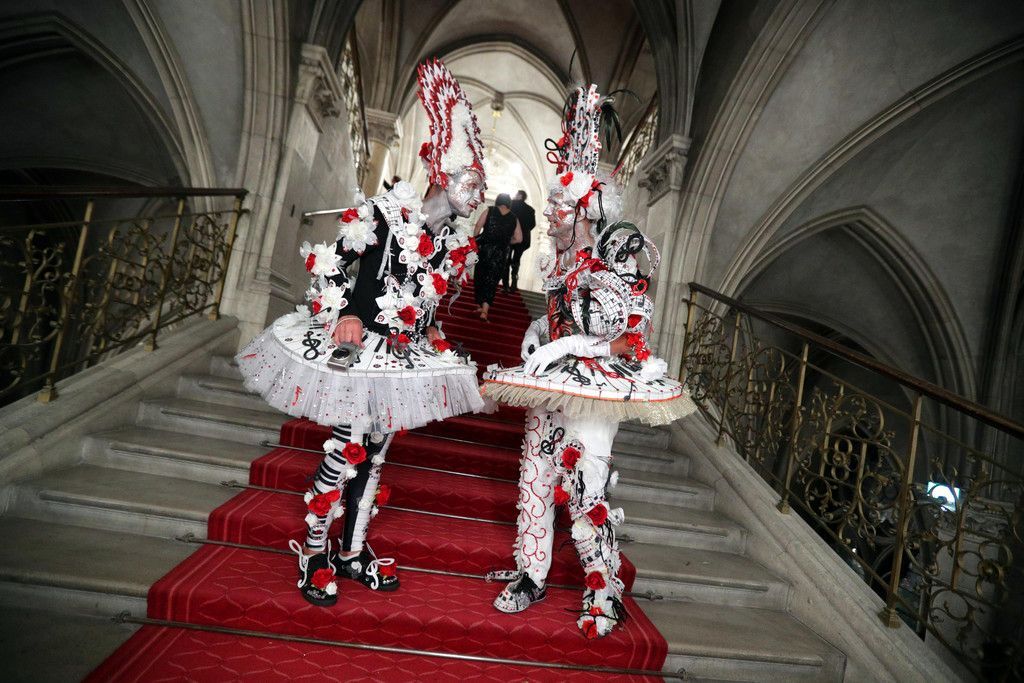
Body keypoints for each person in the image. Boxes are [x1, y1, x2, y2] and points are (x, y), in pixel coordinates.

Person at [236, 59, 486, 607]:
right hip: (359, 349)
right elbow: (329, 263)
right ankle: (314, 551)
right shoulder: (385, 213)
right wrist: (344, 312)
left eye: (481, 187)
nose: (478, 194)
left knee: (375, 453)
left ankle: (351, 550)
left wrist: (434, 334)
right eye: (472, 181)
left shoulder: (452, 246)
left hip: (401, 358)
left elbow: (422, 305)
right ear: (441, 172)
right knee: (347, 446)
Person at [482, 84, 696, 639]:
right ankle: (532, 574)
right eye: (551, 207)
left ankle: (603, 592)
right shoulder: (559, 268)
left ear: (582, 214)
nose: (549, 217)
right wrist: (536, 334)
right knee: (535, 478)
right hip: (550, 388)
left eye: (558, 209)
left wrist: (564, 348)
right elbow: (556, 321)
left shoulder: (610, 265)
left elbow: (627, 341)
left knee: (586, 494)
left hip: (594, 395)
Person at [472, 192, 522, 321]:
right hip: (501, 253)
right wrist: (507, 241)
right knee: (492, 280)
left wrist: (475, 239)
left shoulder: (490, 210)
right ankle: (485, 310)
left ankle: (480, 305)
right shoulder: (514, 218)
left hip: (485, 249)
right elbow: (519, 238)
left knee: (480, 276)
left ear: (498, 200)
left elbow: (478, 226)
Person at [502, 189, 535, 292]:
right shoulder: (530, 210)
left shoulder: (511, 204)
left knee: (506, 260)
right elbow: (532, 224)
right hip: (522, 239)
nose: (515, 196)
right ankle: (514, 282)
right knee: (516, 260)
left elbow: (505, 219)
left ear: (520, 196)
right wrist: (523, 231)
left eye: (516, 194)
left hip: (510, 237)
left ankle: (505, 285)